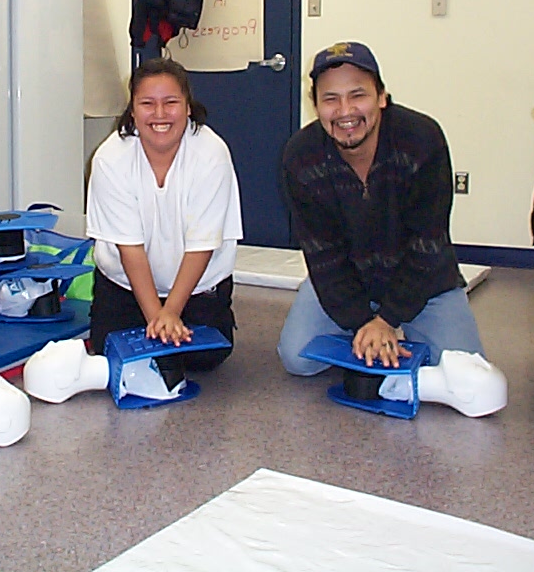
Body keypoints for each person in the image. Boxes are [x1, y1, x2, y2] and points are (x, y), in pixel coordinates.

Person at [278, 42, 483, 374]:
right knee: (298, 359)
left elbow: (429, 242)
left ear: (382, 97)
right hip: (347, 281)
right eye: (330, 99)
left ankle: (386, 333)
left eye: (358, 95)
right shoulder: (301, 156)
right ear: (315, 106)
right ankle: (367, 334)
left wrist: (388, 319)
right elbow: (322, 253)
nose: (345, 111)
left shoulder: (421, 139)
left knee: (469, 371)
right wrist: (363, 321)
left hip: (426, 284)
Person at [85, 58, 242, 370]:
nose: (159, 114)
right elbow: (129, 249)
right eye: (147, 103)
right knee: (111, 353)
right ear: (132, 110)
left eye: (171, 102)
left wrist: (171, 311)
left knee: (204, 358)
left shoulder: (211, 154)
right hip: (126, 286)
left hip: (198, 288)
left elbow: (203, 245)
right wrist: (158, 318)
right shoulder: (110, 159)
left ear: (187, 107)